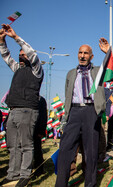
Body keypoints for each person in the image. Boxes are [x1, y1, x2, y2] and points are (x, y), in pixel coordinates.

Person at [55, 38, 113, 187]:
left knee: (91, 153)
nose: (82, 56)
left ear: (91, 56)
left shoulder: (98, 71)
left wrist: (109, 52)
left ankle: (90, 184)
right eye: (80, 53)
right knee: (65, 149)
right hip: (74, 112)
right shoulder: (71, 73)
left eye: (86, 53)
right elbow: (67, 94)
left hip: (92, 112)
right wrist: (66, 115)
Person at [0, 24, 44, 187]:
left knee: (26, 144)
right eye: (20, 55)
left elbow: (31, 53)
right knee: (13, 145)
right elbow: (6, 57)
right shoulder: (18, 69)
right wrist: (2, 42)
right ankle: (12, 174)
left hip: (27, 110)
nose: (21, 56)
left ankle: (25, 175)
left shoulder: (36, 70)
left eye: (23, 54)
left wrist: (16, 38)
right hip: (13, 110)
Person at [33, 96, 48, 177]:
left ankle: (39, 169)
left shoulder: (41, 99)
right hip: (27, 128)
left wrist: (41, 130)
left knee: (37, 150)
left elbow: (43, 116)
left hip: (37, 129)